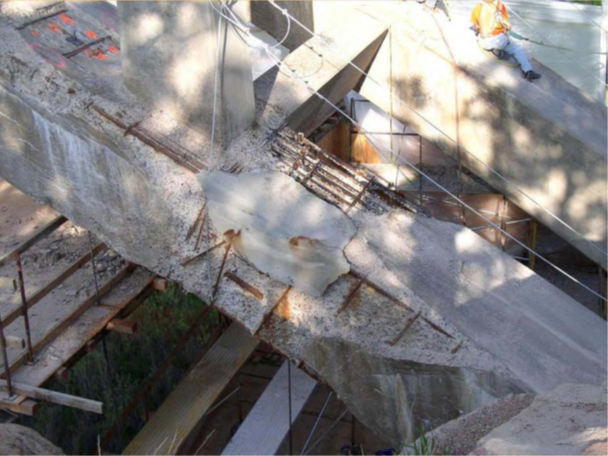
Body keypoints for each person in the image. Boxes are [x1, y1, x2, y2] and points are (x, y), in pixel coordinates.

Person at [470, 0, 541, 81]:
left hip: (485, 42)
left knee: (480, 38)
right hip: (500, 40)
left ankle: (494, 50)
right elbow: (508, 25)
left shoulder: (478, 7)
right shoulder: (500, 5)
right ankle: (528, 71)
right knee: (518, 50)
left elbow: (475, 26)